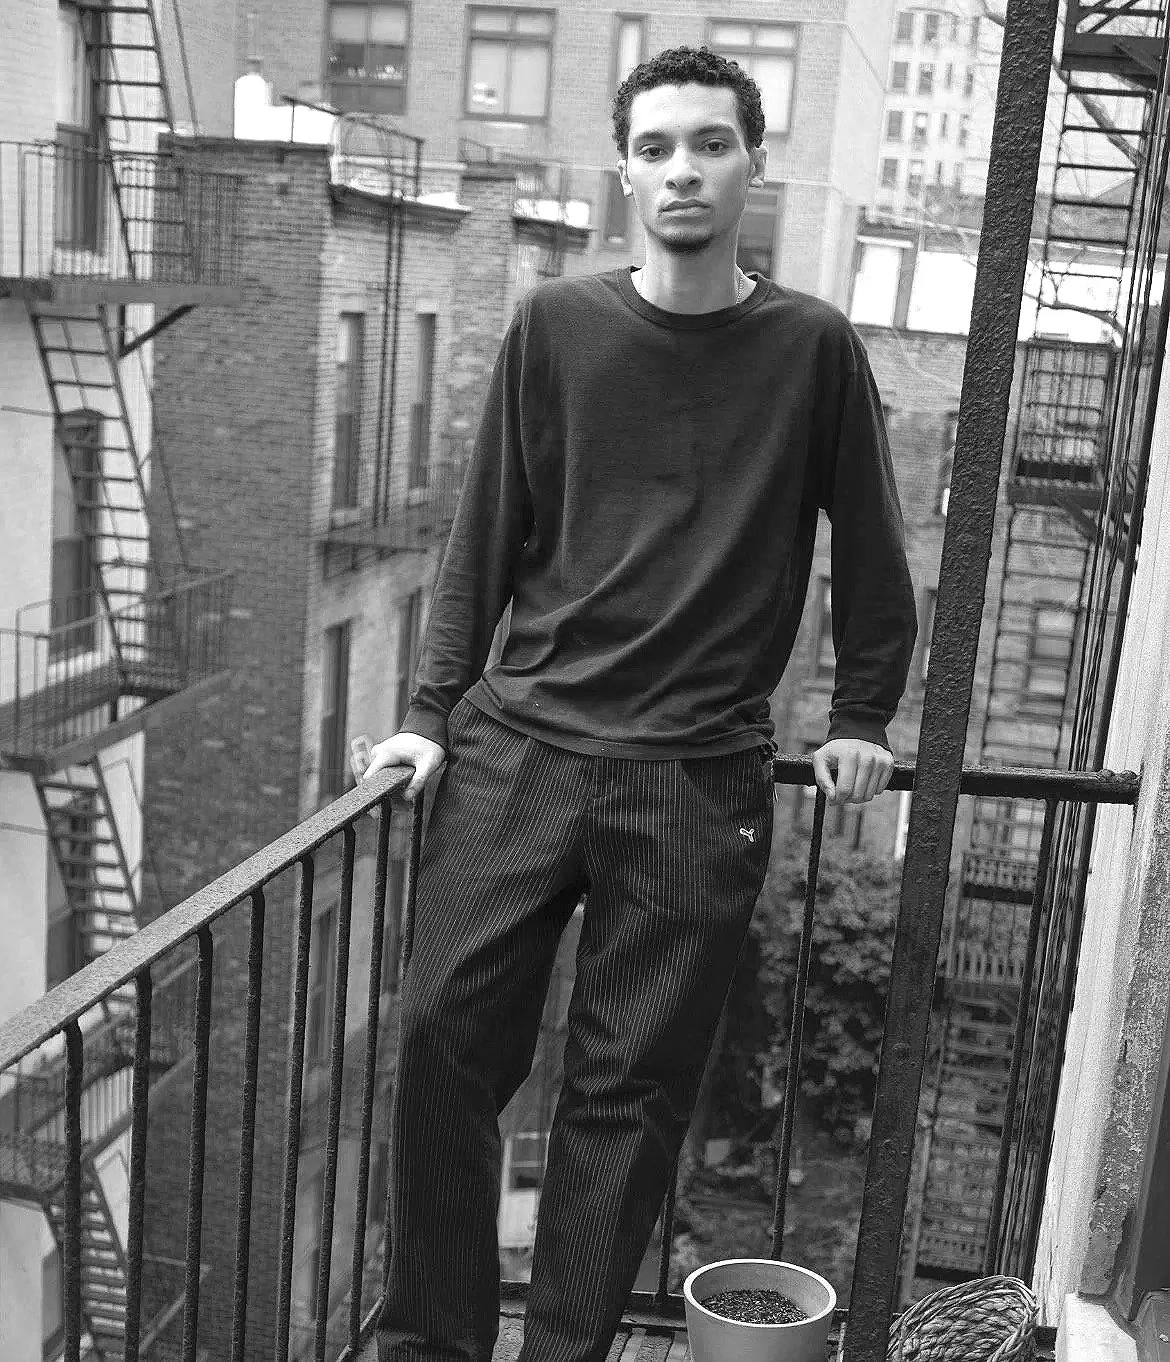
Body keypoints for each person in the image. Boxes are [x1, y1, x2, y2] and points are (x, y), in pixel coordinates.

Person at [365, 45, 917, 1362]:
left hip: (692, 778)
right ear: (624, 169)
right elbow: (484, 531)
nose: (682, 168)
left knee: (625, 1096)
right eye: (657, 145)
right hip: (520, 748)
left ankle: (563, 1351)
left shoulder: (811, 348)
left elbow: (874, 546)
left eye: (709, 143)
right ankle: (431, 1343)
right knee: (441, 1036)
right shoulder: (555, 325)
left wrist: (860, 714)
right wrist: (431, 715)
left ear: (751, 163)